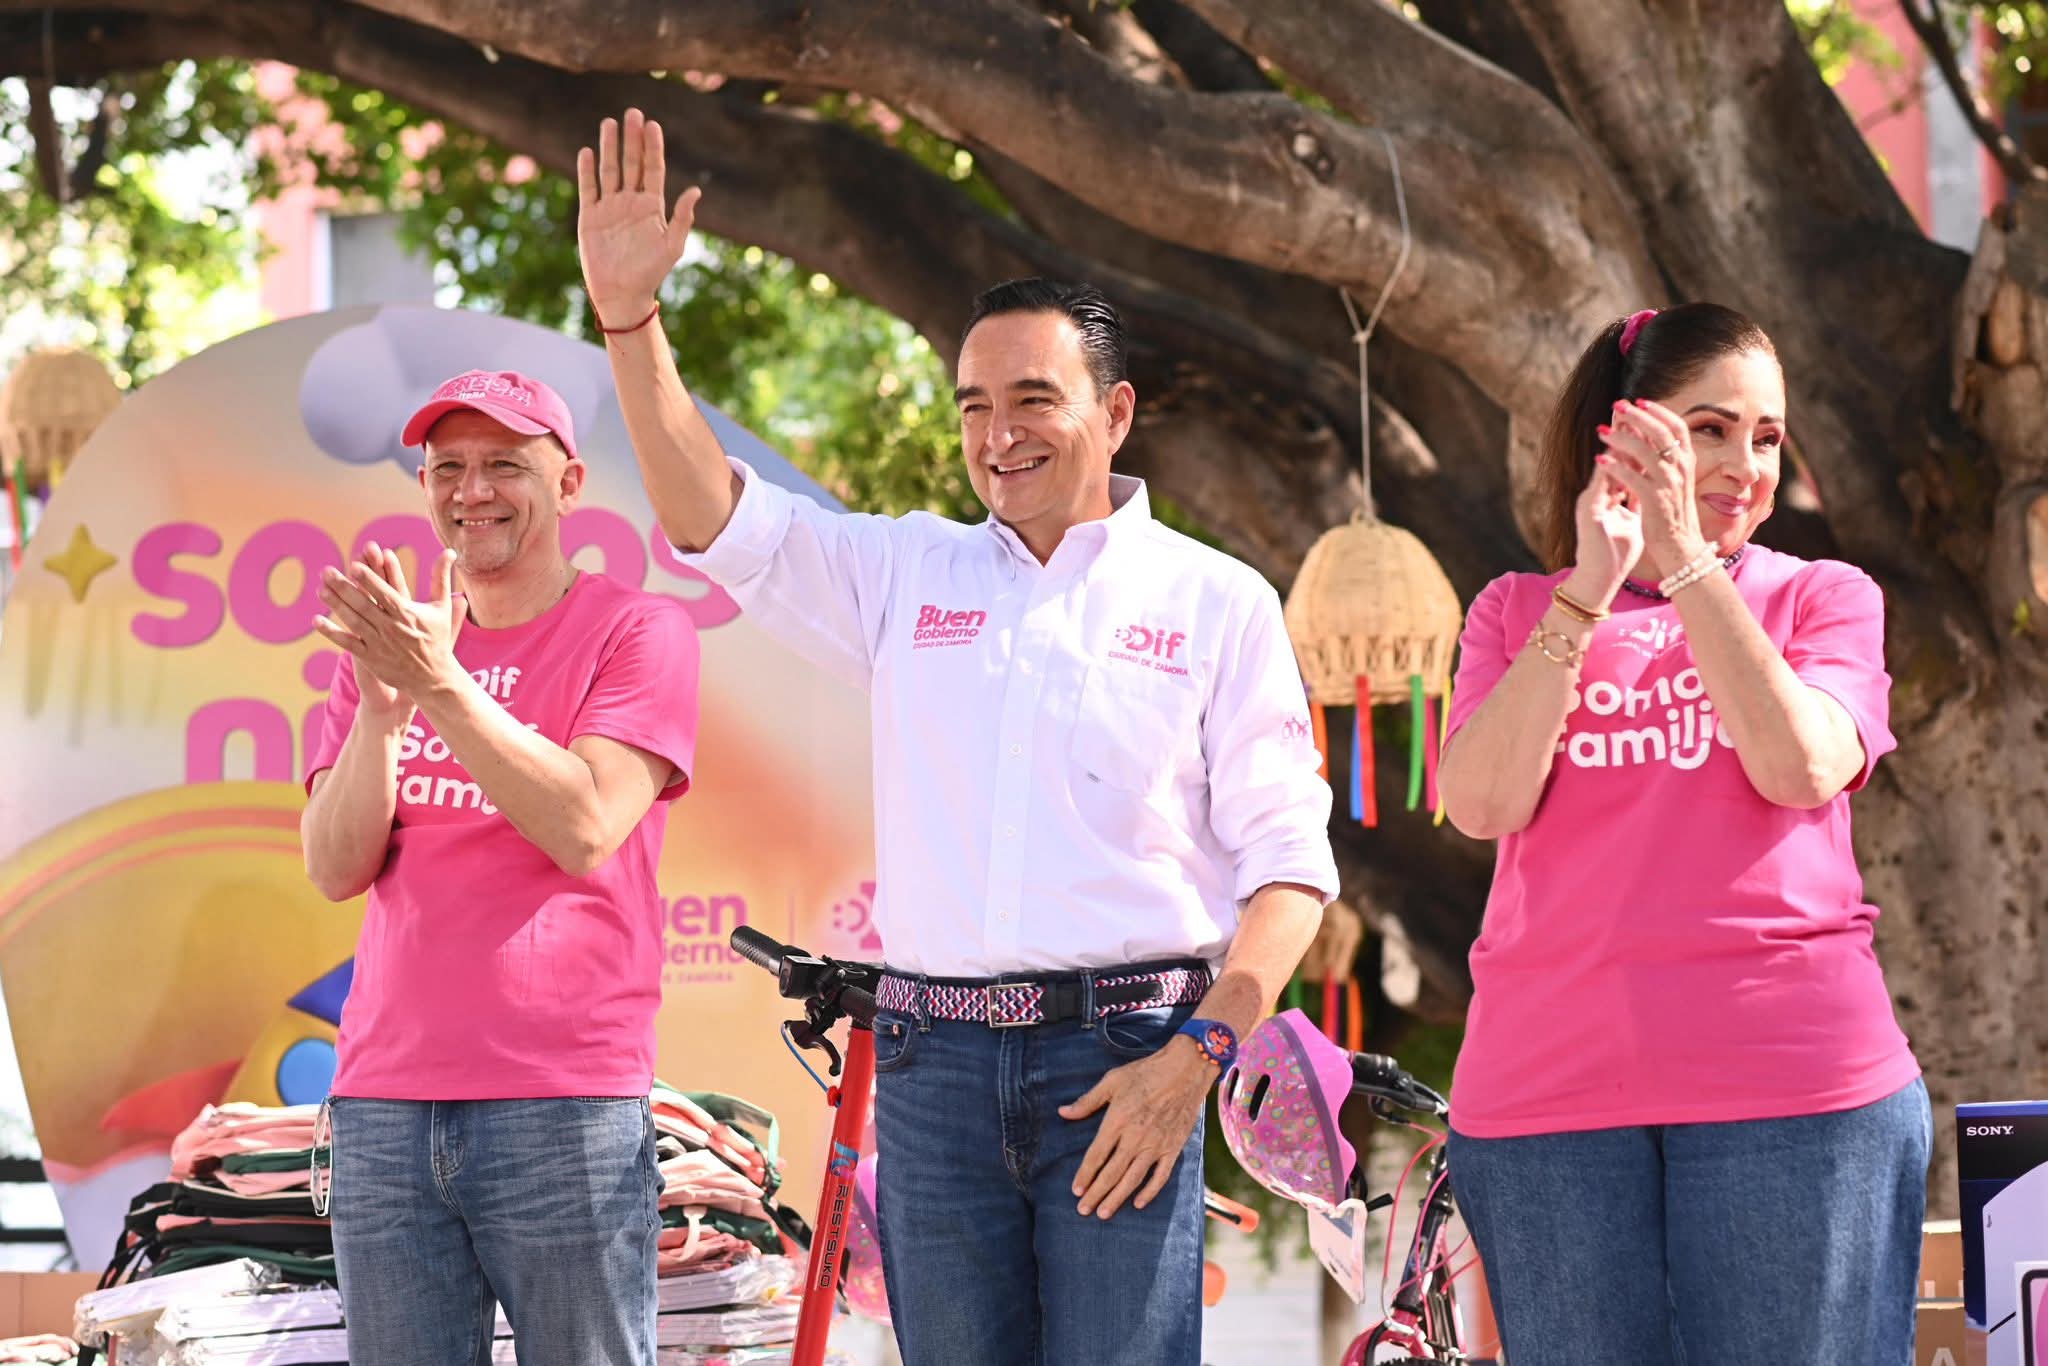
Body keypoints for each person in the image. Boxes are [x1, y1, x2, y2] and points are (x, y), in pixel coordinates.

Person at [574, 107, 1338, 1365]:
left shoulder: (1215, 599)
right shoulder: (906, 570)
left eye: (1034, 398)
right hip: (931, 1070)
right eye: (975, 404)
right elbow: (710, 512)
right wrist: (628, 321)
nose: (999, 435)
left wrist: (1193, 1061)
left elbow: (1290, 873)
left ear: (1118, 412)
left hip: (1128, 1062)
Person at [1436, 303, 1929, 1365]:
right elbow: (1479, 803)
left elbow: (1797, 764)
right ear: (1622, 432)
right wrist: (1591, 586)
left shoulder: (1818, 596)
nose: (1745, 463)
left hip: (1798, 1091)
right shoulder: (1516, 612)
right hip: (1546, 1106)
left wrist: (1692, 567)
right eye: (1709, 428)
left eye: (1764, 436)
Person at [300, 368, 701, 1366]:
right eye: (449, 467)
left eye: (504, 467)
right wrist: (389, 709)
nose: (472, 491)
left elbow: (586, 822)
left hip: (561, 1101)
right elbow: (333, 864)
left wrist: (437, 686)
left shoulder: (638, 630)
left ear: (567, 484)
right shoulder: (390, 648)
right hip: (385, 1105)